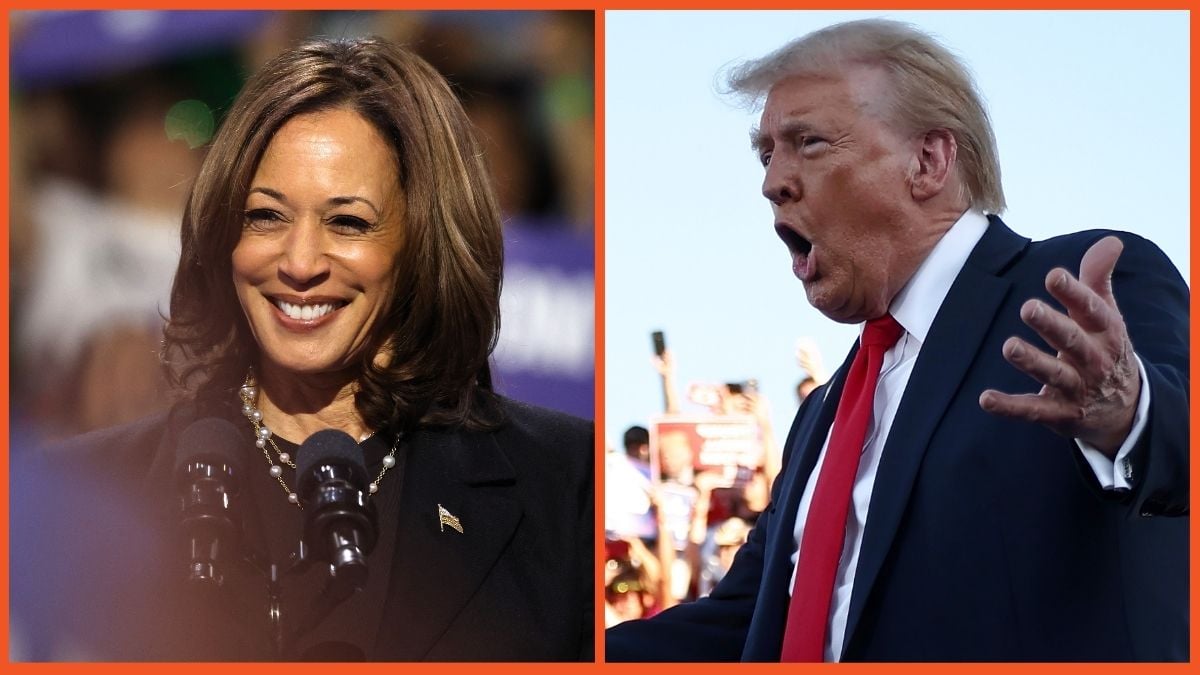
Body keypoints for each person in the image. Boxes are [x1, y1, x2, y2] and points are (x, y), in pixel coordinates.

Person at [606, 18, 1187, 662]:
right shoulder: (824, 414)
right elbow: (747, 622)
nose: (773, 182)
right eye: (766, 152)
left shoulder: (1074, 291)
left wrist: (1131, 413)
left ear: (928, 161)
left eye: (810, 142)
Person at [15, 37, 593, 662]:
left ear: (425, 243)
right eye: (265, 216)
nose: (299, 262)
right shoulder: (88, 493)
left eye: (347, 222)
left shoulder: (567, 485)